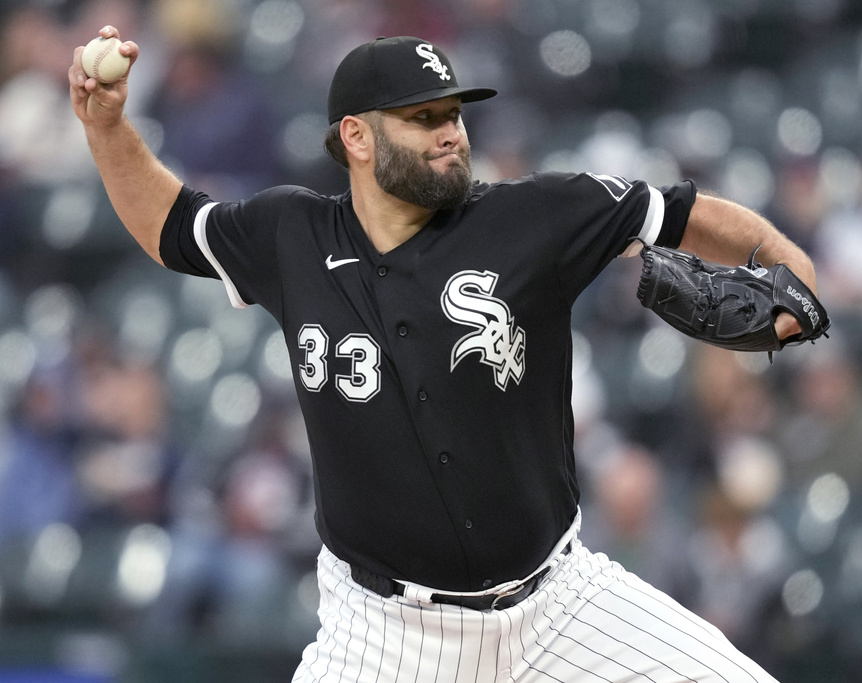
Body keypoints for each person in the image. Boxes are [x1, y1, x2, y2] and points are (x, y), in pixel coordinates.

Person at [70, 26, 820, 683]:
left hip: (562, 604)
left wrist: (794, 272)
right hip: (387, 635)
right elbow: (172, 225)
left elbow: (684, 212)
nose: (451, 132)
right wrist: (106, 128)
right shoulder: (290, 235)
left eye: (454, 114)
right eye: (423, 117)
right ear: (357, 138)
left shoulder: (534, 217)